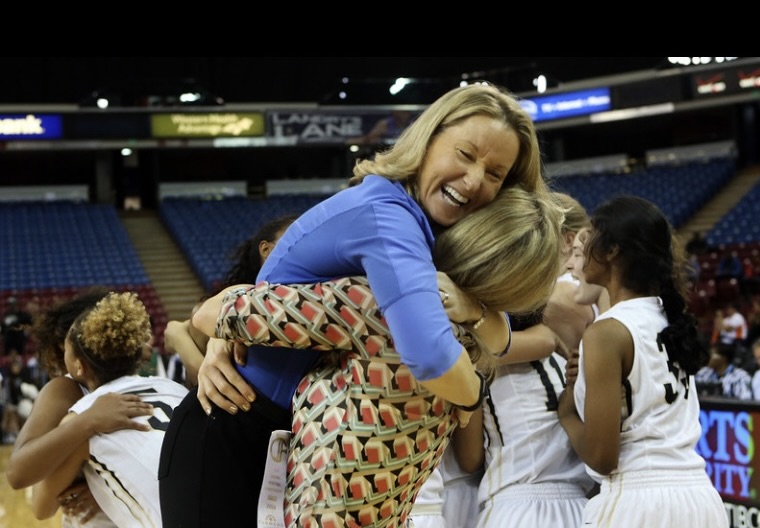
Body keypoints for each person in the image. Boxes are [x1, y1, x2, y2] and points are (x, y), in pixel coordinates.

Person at [159, 82, 551, 528]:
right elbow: (430, 355)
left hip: (286, 441)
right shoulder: (391, 218)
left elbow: (494, 338)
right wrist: (473, 391)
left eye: (495, 174)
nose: (476, 179)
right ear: (428, 140)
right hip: (230, 428)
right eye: (465, 154)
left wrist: (476, 311)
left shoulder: (422, 230)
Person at [557, 195, 727, 527]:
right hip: (701, 499)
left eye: (590, 235)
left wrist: (567, 414)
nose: (579, 251)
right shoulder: (669, 317)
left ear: (612, 250)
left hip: (640, 502)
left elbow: (603, 459)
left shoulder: (606, 332)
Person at [449, 195, 598, 528]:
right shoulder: (551, 337)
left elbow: (471, 459)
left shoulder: (476, 349)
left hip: (515, 502)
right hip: (580, 505)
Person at [30, 291, 189, 527]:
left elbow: (41, 507)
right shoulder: (173, 388)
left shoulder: (82, 417)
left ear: (78, 366)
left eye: (65, 350)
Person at [5, 288, 156, 527]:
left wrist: (109, 488)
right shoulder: (67, 388)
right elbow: (19, 475)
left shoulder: (147, 382)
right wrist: (88, 421)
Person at [162, 214, 297, 388]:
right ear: (266, 250)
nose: (303, 244)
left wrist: (177, 335)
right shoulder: (235, 300)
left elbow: (174, 333)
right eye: (294, 236)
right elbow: (204, 381)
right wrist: (177, 335)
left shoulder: (304, 299)